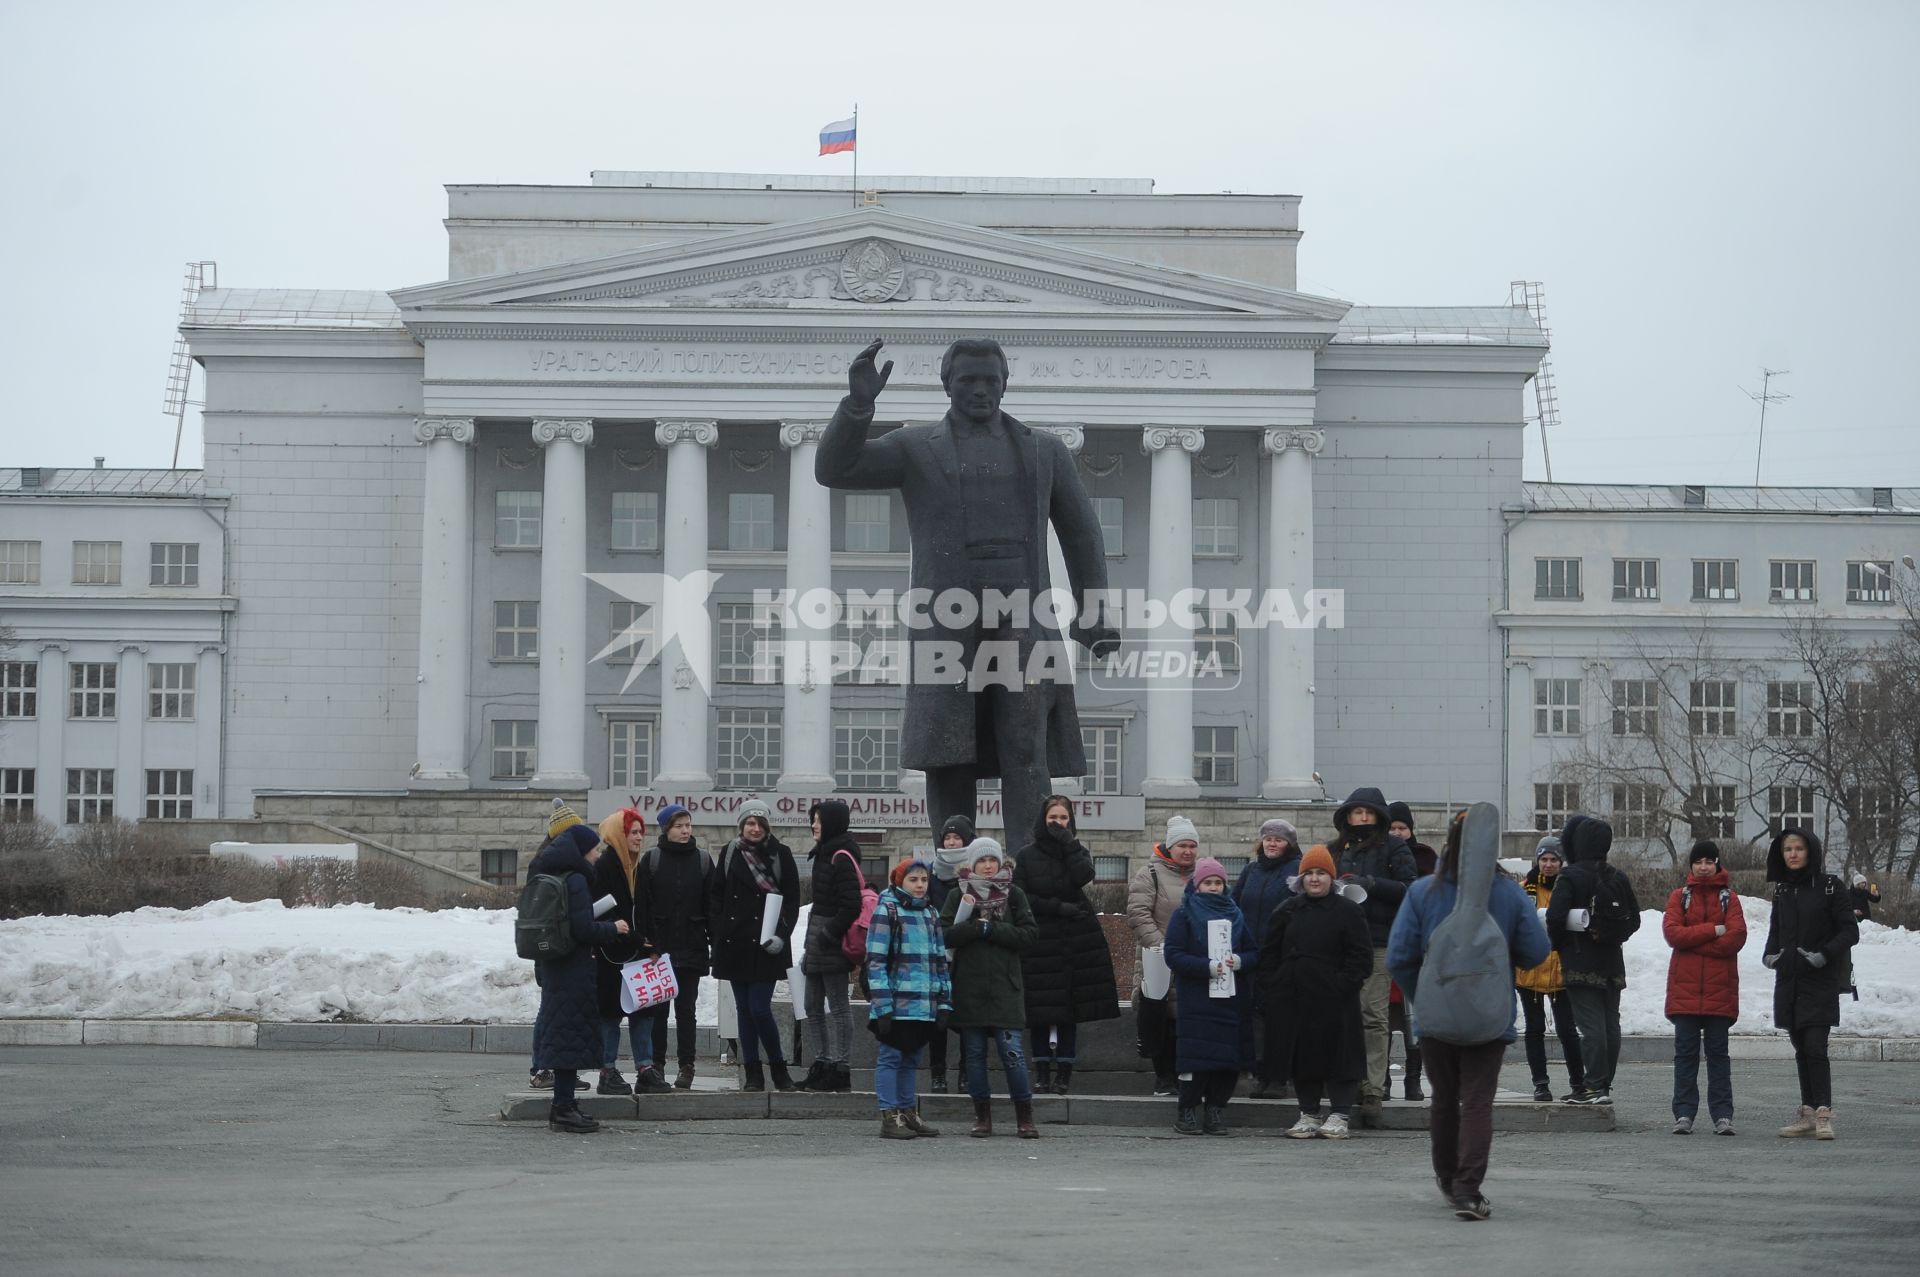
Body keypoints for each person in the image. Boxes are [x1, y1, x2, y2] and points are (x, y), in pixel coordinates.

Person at [816, 337, 1119, 849]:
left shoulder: (1044, 449)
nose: (980, 390)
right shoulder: (915, 447)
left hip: (1022, 614)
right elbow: (835, 469)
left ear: (1004, 383)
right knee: (948, 751)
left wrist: (1094, 615)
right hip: (947, 620)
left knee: (1025, 747)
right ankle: (953, 869)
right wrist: (859, 406)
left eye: (990, 381)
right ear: (947, 385)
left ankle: (1029, 871)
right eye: (968, 381)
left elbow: (1082, 532)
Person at [1387, 810, 1552, 1223]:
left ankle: (1447, 1179)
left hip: (1436, 1019)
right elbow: (1536, 953)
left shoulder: (1424, 892)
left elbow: (1399, 957)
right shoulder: (1511, 894)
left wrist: (1423, 997)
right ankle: (1468, 1188)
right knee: (1477, 1101)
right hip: (1490, 1017)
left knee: (1444, 1099)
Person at [1259, 844, 1373, 1140]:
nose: (1314, 879)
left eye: (1321, 873)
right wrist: (1276, 984)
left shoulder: (1348, 910)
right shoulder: (1287, 909)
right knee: (1302, 1057)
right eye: (1309, 873)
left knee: (1340, 1056)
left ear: (1331, 878)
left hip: (1336, 999)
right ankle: (1308, 1113)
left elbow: (1360, 957)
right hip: (1294, 997)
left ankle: (1340, 1114)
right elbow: (1270, 953)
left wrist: (1341, 984)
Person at [1012, 795, 1120, 1095]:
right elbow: (1021, 896)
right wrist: (1057, 907)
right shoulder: (1027, 855)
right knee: (1040, 1008)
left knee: (1071, 1007)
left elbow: (1084, 876)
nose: (1057, 823)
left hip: (1075, 938)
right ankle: (1042, 1071)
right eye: (1052, 818)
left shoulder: (1077, 850)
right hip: (1041, 938)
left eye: (1063, 818)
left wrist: (1069, 845)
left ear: (1070, 821)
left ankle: (1064, 1073)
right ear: (1042, 820)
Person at [528, 819, 631, 1133]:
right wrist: (614, 928)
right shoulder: (575, 880)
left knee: (563, 1035)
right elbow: (582, 929)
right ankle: (562, 1106)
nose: (598, 855)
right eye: (595, 849)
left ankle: (566, 1102)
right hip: (571, 970)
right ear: (581, 851)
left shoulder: (553, 872)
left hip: (556, 966)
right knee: (567, 1039)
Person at [1328, 787, 1418, 1125]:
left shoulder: (1394, 847)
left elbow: (1411, 888)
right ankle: (1346, 1082)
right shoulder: (1336, 849)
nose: (1362, 817)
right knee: (1342, 1015)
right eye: (1356, 811)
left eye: (1368, 811)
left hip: (1380, 941)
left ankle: (1373, 1090)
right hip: (1341, 943)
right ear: (1347, 816)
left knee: (1374, 1016)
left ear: (1378, 815)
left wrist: (1371, 884)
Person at [942, 837, 1041, 1138]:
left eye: (992, 860)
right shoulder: (957, 894)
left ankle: (1024, 1117)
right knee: (973, 1055)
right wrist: (974, 928)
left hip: (1005, 989)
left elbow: (1029, 935)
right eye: (982, 861)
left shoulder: (1014, 894)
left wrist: (993, 929)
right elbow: (944, 934)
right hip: (969, 988)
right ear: (971, 864)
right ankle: (981, 1116)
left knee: (1012, 1053)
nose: (987, 866)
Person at [1765, 827, 1860, 1140]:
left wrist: (1824, 955)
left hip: (1819, 981)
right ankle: (1807, 1113)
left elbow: (1850, 931)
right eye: (1787, 849)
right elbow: (1774, 932)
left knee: (1815, 1047)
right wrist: (1769, 956)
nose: (1792, 854)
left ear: (1811, 852)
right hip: (1789, 981)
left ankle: (1823, 1114)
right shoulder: (1782, 890)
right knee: (1800, 1049)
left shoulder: (1830, 886)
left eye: (1799, 848)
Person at [1545, 814, 1639, 1107]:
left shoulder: (1570, 876)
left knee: (1591, 1027)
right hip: (1612, 963)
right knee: (1611, 1024)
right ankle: (1604, 1085)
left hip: (1580, 962)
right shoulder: (1617, 876)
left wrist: (1562, 945)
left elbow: (1555, 918)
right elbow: (1634, 920)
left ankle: (1592, 1086)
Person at [710, 799, 802, 1093]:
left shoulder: (781, 854)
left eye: (760, 824)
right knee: (743, 1010)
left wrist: (781, 935)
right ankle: (752, 1073)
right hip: (734, 942)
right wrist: (718, 932)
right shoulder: (729, 853)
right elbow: (716, 897)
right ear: (741, 825)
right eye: (750, 823)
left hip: (766, 944)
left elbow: (792, 900)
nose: (755, 828)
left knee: (759, 1008)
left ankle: (779, 1069)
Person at [1163, 856, 1258, 1135]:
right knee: (1196, 1060)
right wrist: (1206, 967)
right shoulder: (1184, 914)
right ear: (1198, 885)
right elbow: (1174, 955)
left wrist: (1238, 961)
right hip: (1197, 1000)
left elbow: (1254, 953)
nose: (1214, 887)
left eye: (1218, 882)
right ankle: (1187, 1110)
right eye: (1208, 882)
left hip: (1231, 1000)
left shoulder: (1235, 913)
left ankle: (1216, 1109)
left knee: (1227, 1061)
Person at [1662, 839, 1747, 1136]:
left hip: (1719, 993)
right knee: (1684, 1056)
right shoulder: (1679, 897)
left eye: (1709, 861)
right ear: (1691, 866)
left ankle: (1723, 1115)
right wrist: (1713, 930)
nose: (1703, 866)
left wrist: (1694, 942)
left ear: (1717, 864)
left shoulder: (1730, 898)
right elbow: (1673, 935)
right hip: (1684, 993)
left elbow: (1736, 938)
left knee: (1718, 1056)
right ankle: (1683, 1114)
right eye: (1698, 861)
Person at [867, 857, 954, 1140]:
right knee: (891, 1057)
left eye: (924, 880)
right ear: (899, 881)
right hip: (896, 1002)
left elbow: (941, 962)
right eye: (913, 880)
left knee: (913, 1057)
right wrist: (882, 1006)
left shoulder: (930, 913)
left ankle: (907, 1111)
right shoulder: (887, 911)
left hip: (924, 1003)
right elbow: (876, 961)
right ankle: (889, 1116)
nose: (919, 885)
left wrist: (944, 1002)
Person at [591, 807, 672, 1096]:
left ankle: (645, 1069)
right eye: (633, 832)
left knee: (644, 1011)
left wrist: (654, 944)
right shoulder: (604, 866)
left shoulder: (640, 866)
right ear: (619, 835)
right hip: (612, 954)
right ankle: (607, 1070)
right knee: (610, 1014)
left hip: (639, 955)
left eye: (641, 832)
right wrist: (636, 938)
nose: (639, 838)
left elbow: (650, 909)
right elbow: (602, 913)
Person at [632, 803, 713, 1090]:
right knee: (658, 1011)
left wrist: (712, 943)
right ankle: (656, 1065)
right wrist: (646, 944)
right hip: (659, 949)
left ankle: (686, 1066)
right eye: (679, 826)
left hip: (691, 946)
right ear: (667, 829)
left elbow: (711, 906)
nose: (685, 830)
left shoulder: (702, 860)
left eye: (688, 825)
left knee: (686, 1011)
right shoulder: (652, 860)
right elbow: (641, 906)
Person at [1128, 814, 1199, 1095]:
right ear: (1170, 847)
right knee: (1160, 1018)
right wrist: (1163, 948)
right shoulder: (1150, 874)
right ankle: (1164, 1075)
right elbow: (1138, 913)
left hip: (1192, 962)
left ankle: (1186, 1073)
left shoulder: (1204, 874)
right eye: (1182, 845)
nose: (1188, 851)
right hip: (1157, 959)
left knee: (1186, 1018)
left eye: (1192, 846)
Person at [795, 800, 862, 1093]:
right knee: (811, 1005)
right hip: (817, 936)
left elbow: (852, 905)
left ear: (832, 823)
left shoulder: (841, 856)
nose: (813, 824)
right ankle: (821, 1064)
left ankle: (840, 1068)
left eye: (819, 820)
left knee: (837, 1005)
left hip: (830, 940)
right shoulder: (824, 852)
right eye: (813, 819)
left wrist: (827, 935)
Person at [1232, 818, 1300, 1097]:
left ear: (1289, 844)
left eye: (1279, 839)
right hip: (1250, 956)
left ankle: (1280, 1077)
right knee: (1254, 1017)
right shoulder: (1251, 870)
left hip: (1283, 956)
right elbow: (1234, 906)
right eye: (1268, 838)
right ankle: (1260, 1074)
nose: (1272, 843)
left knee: (1280, 1018)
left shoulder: (1296, 870)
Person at [1516, 836, 1584, 1102]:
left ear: (1561, 862)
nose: (1548, 864)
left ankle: (1578, 1083)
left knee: (1567, 1030)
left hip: (1561, 970)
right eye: (1543, 859)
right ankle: (1540, 1084)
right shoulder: (1523, 890)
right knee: (1534, 1030)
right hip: (1528, 970)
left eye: (1553, 859)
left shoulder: (1569, 889)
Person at [923, 814, 977, 1093]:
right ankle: (938, 1073)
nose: (952, 842)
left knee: (966, 1016)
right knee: (938, 1019)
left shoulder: (975, 873)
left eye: (957, 837)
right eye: (948, 837)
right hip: (938, 955)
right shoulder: (932, 873)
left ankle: (966, 1072)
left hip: (967, 954)